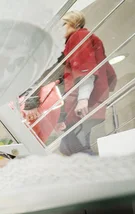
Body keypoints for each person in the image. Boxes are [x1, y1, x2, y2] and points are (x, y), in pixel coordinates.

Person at [23, 11, 116, 155]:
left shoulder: (79, 37)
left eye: (63, 24)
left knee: (75, 147)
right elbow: (108, 75)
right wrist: (62, 118)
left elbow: (85, 69)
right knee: (69, 147)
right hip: (83, 102)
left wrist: (83, 99)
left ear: (75, 24)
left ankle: (99, 173)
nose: (59, 29)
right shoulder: (72, 45)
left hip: (83, 103)